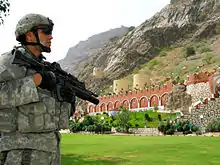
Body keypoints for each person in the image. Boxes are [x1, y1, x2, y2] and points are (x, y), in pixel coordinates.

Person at [0, 13, 72, 165]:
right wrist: (36, 81)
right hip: (21, 154)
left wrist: (68, 100)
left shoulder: (48, 69)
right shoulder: (9, 62)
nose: (51, 37)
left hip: (51, 153)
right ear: (30, 35)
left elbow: (53, 118)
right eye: (46, 31)